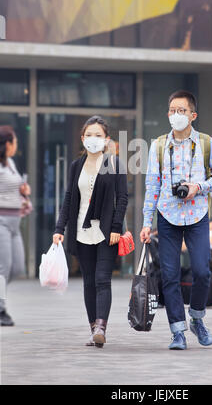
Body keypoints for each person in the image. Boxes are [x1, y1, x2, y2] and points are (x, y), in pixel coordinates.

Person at [140, 90, 212, 350]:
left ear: (193, 115)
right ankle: (177, 331)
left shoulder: (207, 143)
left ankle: (197, 318)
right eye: (172, 111)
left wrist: (197, 187)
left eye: (182, 111)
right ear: (168, 114)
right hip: (167, 216)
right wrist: (146, 222)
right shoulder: (157, 146)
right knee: (169, 275)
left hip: (197, 215)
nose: (176, 115)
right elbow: (151, 186)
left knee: (202, 271)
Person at [53, 116, 128, 347]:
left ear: (106, 140)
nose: (93, 139)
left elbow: (123, 198)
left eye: (98, 135)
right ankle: (93, 329)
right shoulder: (77, 166)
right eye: (89, 135)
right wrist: (60, 228)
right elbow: (68, 198)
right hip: (81, 231)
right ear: (82, 138)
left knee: (102, 279)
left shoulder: (114, 164)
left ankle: (101, 328)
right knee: (88, 282)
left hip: (106, 232)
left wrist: (117, 227)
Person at [0, 125, 31, 326]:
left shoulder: (10, 163)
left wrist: (23, 189)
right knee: (4, 268)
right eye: (15, 142)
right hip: (1, 220)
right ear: (7, 144)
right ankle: (1, 310)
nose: (16, 146)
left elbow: (13, 186)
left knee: (17, 266)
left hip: (15, 221)